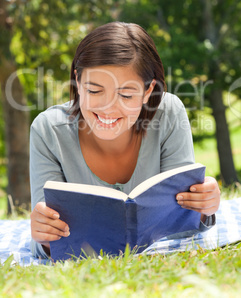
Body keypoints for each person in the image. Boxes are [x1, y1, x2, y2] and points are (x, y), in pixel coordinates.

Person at [30, 22, 220, 258]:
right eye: (94, 91)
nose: (108, 108)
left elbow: (184, 221)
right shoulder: (48, 130)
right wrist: (44, 235)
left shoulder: (169, 112)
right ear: (78, 83)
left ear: (148, 91)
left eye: (126, 95)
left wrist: (205, 206)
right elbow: (45, 239)